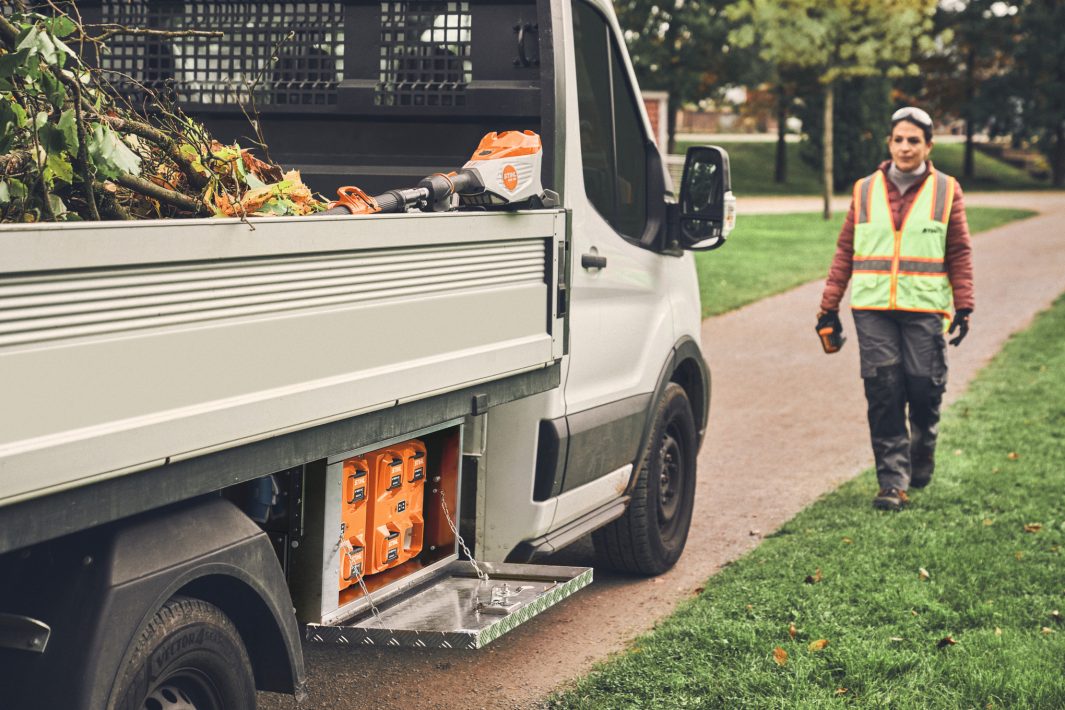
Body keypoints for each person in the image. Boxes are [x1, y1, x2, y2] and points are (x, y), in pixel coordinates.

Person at [817, 106, 974, 511]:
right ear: (889, 143)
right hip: (872, 308)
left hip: (924, 309)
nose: (906, 147)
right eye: (899, 140)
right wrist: (828, 307)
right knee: (884, 391)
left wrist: (965, 305)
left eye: (914, 141)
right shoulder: (864, 189)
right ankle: (892, 482)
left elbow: (958, 251)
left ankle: (922, 451)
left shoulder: (946, 190)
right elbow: (845, 251)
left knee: (923, 388)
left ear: (928, 146)